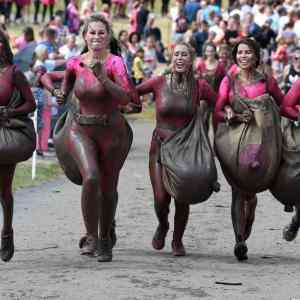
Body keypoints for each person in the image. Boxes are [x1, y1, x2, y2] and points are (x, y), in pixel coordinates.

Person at [40, 14, 139, 262]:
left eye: (101, 33)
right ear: (84, 36)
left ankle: (105, 239)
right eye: (91, 32)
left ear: (108, 38)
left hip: (111, 131)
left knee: (108, 188)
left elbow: (126, 98)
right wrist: (58, 94)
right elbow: (64, 89)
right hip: (81, 129)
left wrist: (103, 77)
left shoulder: (116, 63)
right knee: (91, 177)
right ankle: (91, 235)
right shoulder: (74, 63)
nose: (96, 37)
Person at [136, 42, 216, 256]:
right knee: (161, 199)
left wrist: (228, 113)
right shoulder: (159, 82)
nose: (180, 58)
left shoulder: (200, 87)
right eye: (177, 54)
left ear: (191, 60)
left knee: (182, 196)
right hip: (160, 147)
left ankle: (177, 240)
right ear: (172, 58)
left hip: (186, 150)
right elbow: (133, 93)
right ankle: (163, 224)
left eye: (185, 55)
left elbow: (220, 103)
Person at [214, 38, 283, 261]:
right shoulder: (228, 81)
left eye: (248, 52)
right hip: (236, 141)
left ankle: (249, 220)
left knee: (250, 196)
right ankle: (239, 240)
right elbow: (217, 110)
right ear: (236, 56)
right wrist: (229, 113)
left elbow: (282, 105)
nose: (243, 56)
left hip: (262, 144)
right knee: (237, 190)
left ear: (256, 56)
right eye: (240, 52)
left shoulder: (267, 81)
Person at [0, 30, 36, 262]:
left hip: (7, 135)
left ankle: (7, 231)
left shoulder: (14, 74)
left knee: (4, 191)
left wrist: (12, 111)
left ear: (4, 47)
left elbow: (31, 103)